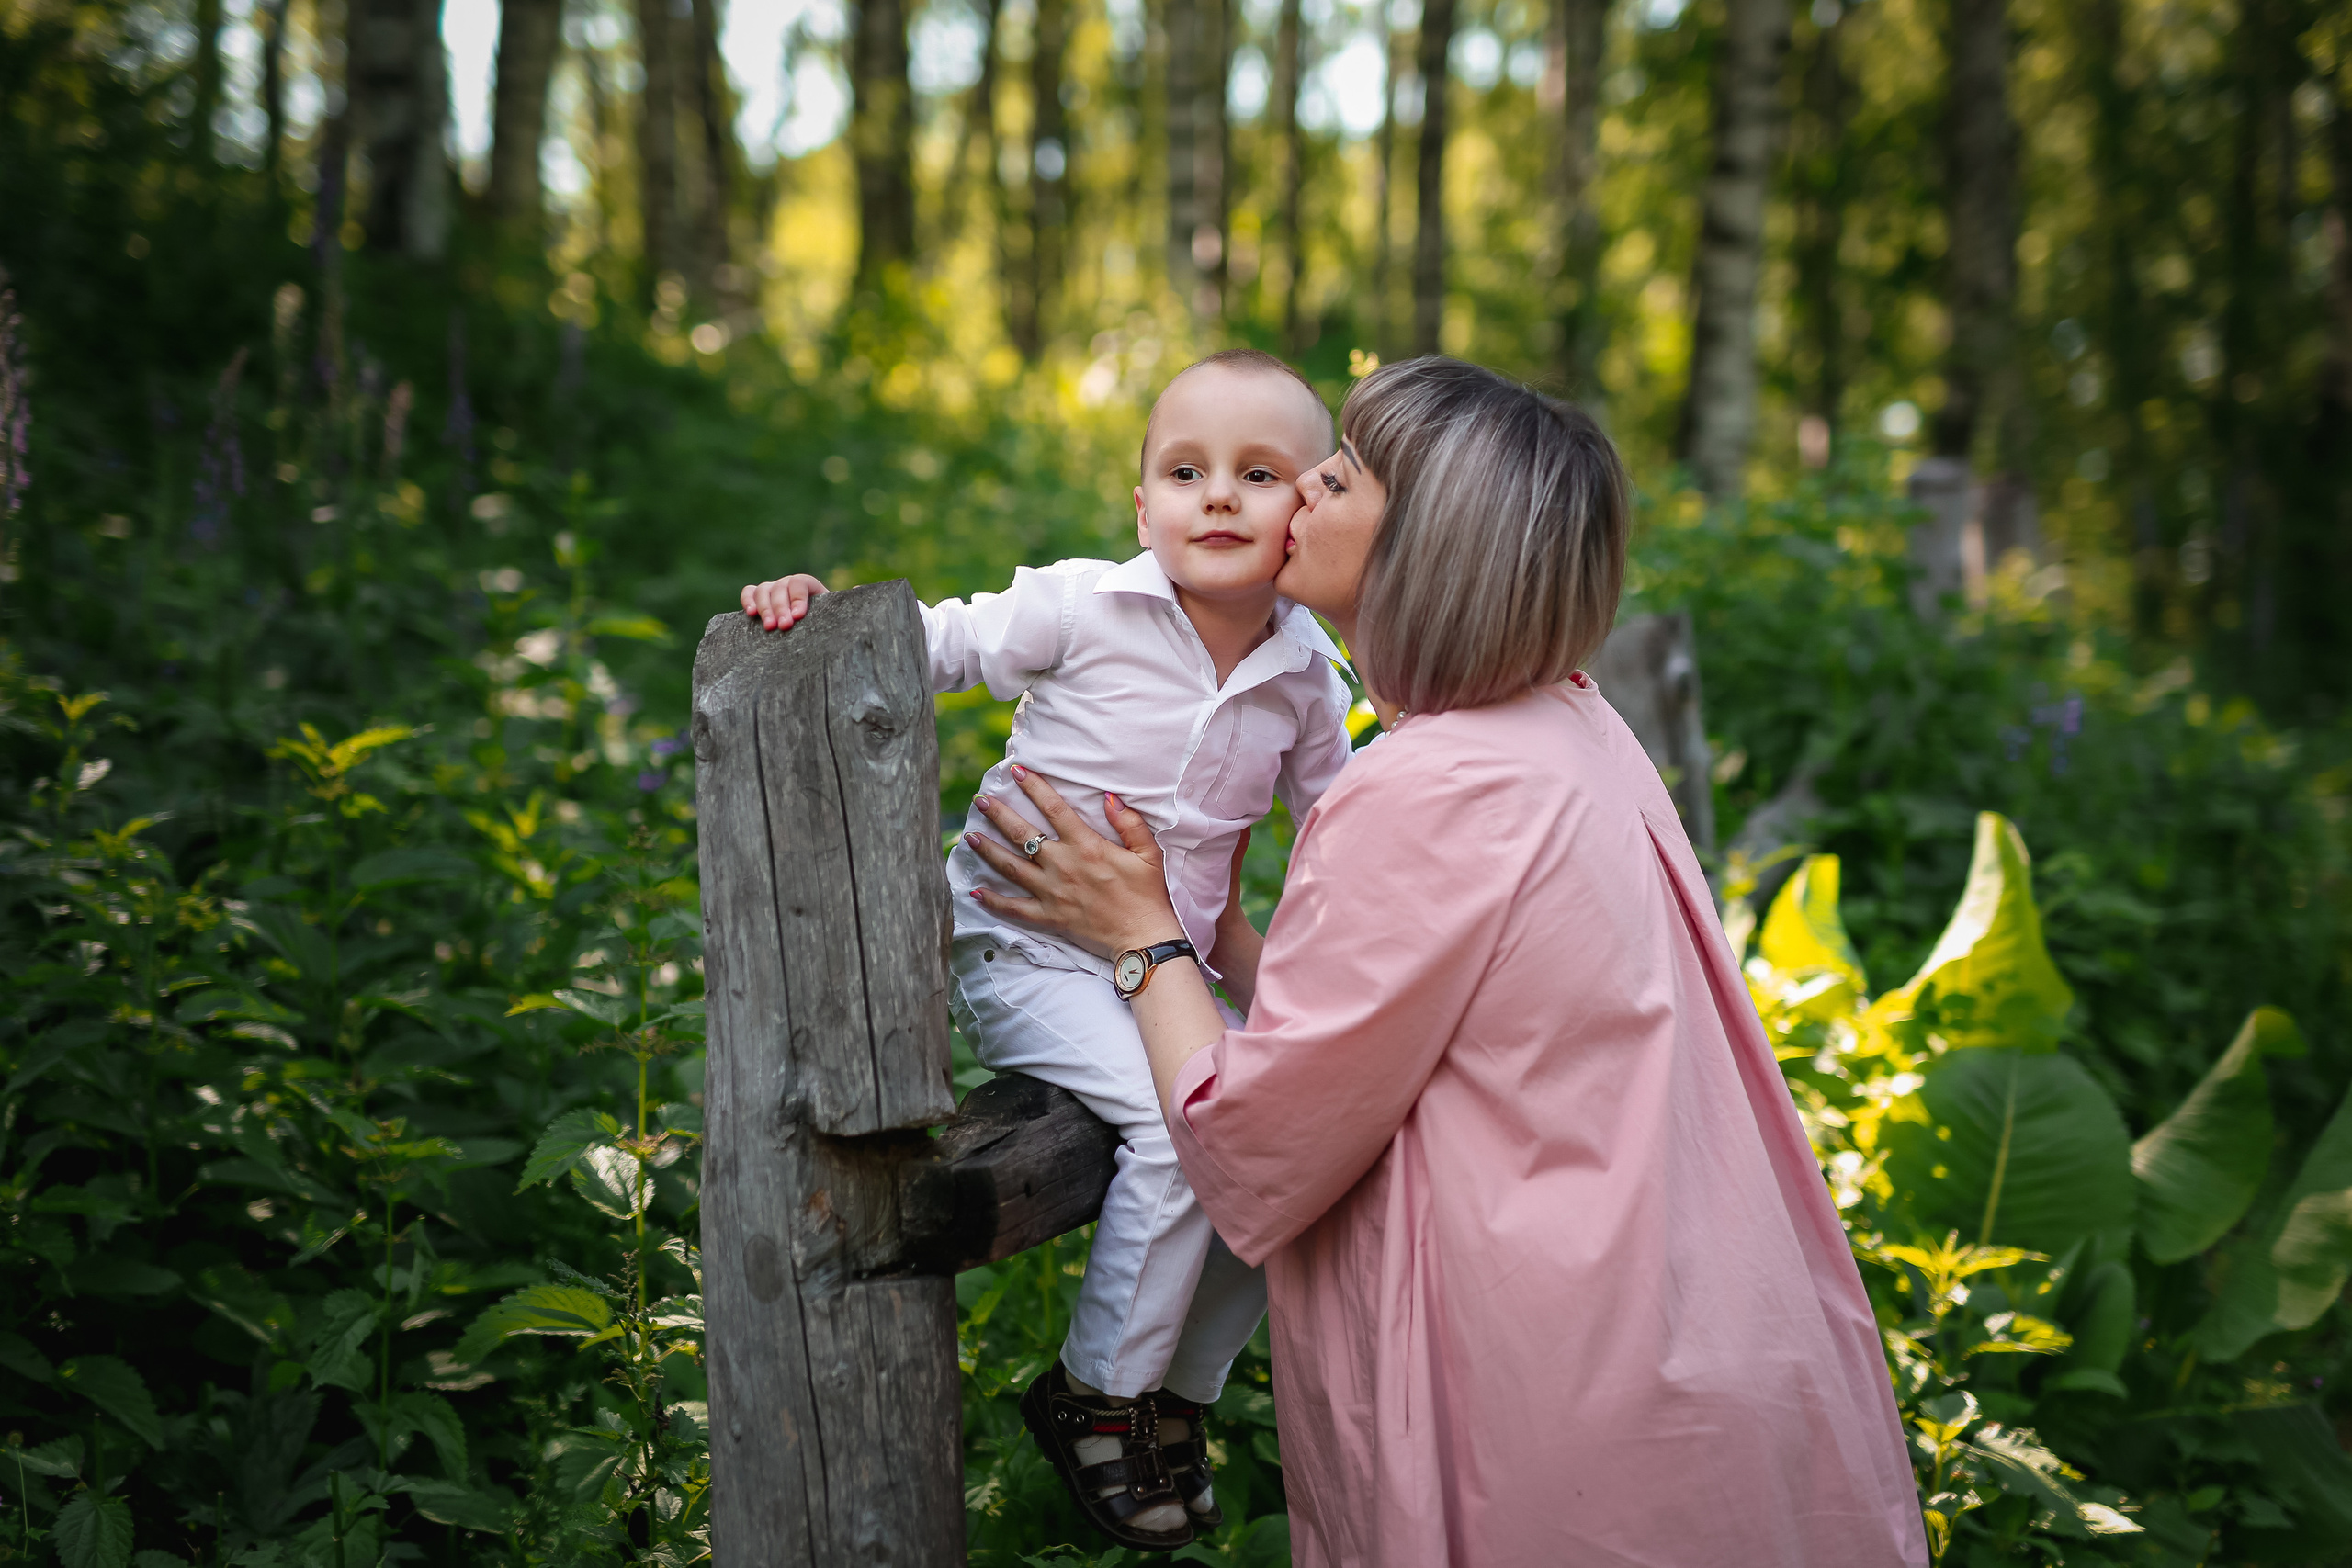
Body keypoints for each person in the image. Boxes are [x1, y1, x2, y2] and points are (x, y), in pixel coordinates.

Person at [959, 357, 1932, 1567]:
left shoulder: (1425, 788)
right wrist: (1230, 945)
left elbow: (1251, 1147)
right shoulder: (1570, 724)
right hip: (1697, 1338)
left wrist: (1140, 937)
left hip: (1554, 1392)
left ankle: (1109, 1398)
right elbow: (1412, 1013)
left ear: (1424, 543)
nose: (1295, 492)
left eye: (1338, 476)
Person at [739, 349, 1354, 1552]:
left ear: (1307, 506)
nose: (1218, 498)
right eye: (1185, 472)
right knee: (1182, 1134)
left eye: (1258, 474)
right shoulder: (1082, 606)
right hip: (1026, 952)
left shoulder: (1303, 674)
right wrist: (822, 612)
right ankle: (1096, 1393)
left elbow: (1350, 829)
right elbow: (927, 647)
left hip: (1168, 971)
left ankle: (1179, 1399)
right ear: (1142, 503)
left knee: (1276, 1144)